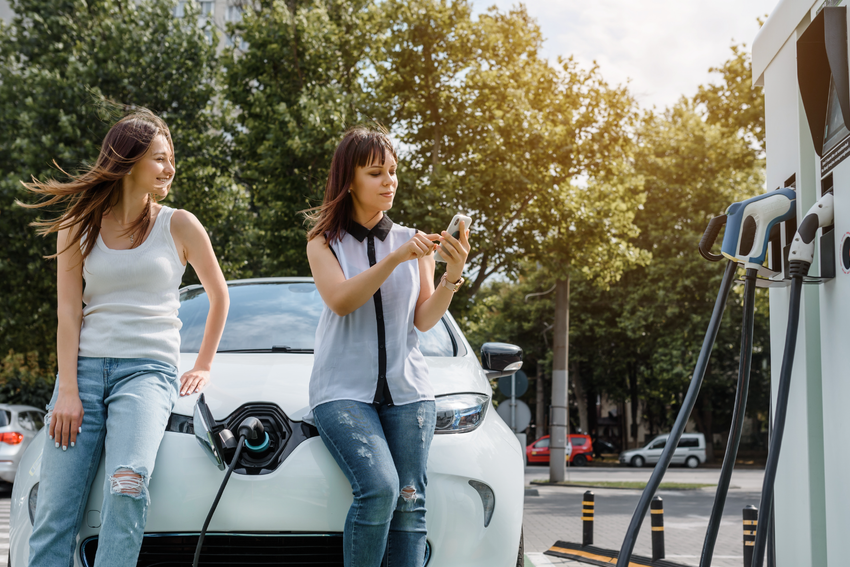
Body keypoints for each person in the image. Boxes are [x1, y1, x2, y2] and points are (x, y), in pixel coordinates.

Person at [19, 109, 229, 566]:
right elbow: (68, 313)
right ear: (128, 160)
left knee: (128, 484)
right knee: (55, 510)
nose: (170, 168)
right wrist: (68, 391)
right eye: (159, 158)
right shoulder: (79, 225)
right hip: (85, 374)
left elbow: (219, 296)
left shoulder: (180, 224)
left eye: (171, 158)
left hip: (147, 372)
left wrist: (204, 364)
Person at [305, 126, 470, 567]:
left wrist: (452, 276)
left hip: (410, 393)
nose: (389, 181)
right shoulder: (324, 243)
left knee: (411, 502)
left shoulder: (411, 240)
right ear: (350, 180)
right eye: (376, 172)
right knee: (379, 489)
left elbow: (423, 318)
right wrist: (396, 258)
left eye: (393, 172)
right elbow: (341, 301)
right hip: (341, 393)